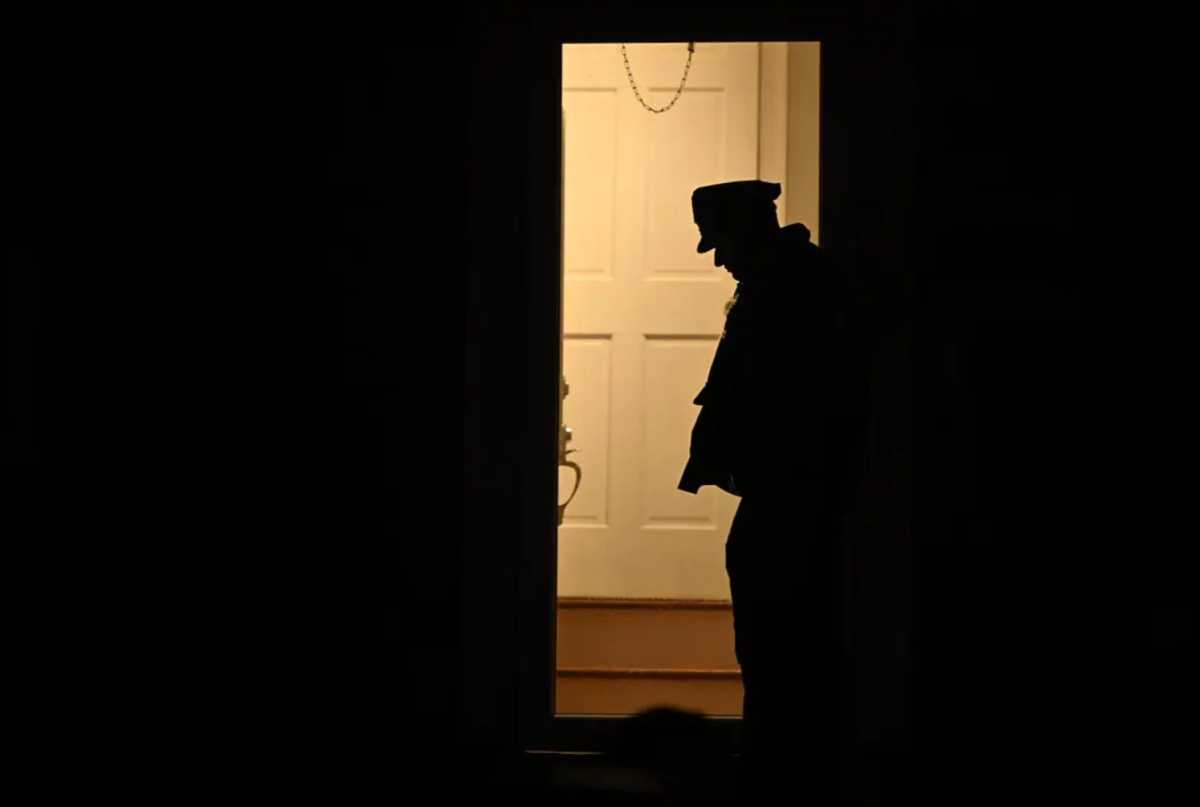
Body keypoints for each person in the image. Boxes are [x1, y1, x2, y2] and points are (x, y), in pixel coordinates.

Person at [677, 180, 870, 800]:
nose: (716, 257)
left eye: (720, 239)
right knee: (769, 636)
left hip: (795, 493)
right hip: (783, 490)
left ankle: (779, 769)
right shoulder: (781, 280)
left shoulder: (796, 288)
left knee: (780, 638)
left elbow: (797, 394)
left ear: (751, 227)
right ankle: (774, 757)